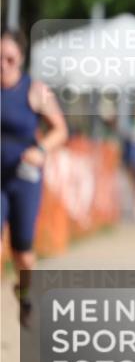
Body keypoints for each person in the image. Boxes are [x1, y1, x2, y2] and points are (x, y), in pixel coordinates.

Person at [1, 27, 68, 327]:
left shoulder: (35, 91)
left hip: (24, 179)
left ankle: (24, 293)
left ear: (21, 59)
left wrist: (40, 149)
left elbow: (60, 130)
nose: (3, 64)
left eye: (9, 59)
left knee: (23, 253)